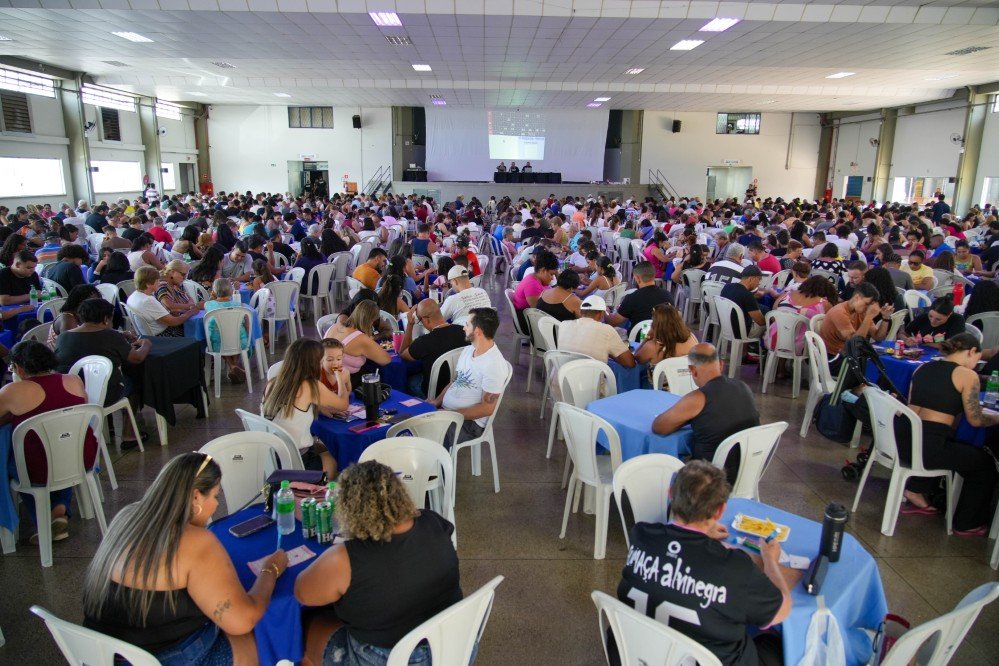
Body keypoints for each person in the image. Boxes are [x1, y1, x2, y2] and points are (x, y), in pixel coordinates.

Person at [82, 452, 286, 665]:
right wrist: (270, 570)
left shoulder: (126, 517)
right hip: (153, 659)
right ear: (196, 497)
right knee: (256, 641)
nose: (216, 505)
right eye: (215, 496)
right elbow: (243, 620)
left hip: (94, 652)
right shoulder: (194, 540)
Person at [616, 460, 789, 666]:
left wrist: (702, 534)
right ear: (720, 511)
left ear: (670, 494)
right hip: (709, 659)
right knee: (777, 644)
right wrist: (770, 561)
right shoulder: (735, 567)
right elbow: (781, 611)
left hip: (639, 653)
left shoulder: (641, 535)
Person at [295, 460, 462, 666]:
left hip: (387, 659)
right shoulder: (433, 521)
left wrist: (272, 567)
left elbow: (302, 593)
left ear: (349, 508)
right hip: (453, 648)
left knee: (305, 627)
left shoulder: (345, 558)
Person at [896, 334, 999, 535]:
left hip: (903, 440)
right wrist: (996, 418)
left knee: (951, 442)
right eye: (977, 359)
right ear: (972, 351)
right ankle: (967, 523)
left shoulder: (922, 367)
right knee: (984, 463)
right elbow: (975, 420)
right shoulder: (967, 375)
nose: (976, 365)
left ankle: (916, 490)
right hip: (928, 449)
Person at [0, 340, 99, 544]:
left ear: (19, 367)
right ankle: (59, 510)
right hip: (82, 458)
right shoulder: (73, 380)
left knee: (16, 465)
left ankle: (43, 523)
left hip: (37, 469)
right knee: (61, 451)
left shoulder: (12, 391)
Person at [652, 344, 760, 481]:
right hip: (748, 472)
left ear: (693, 370)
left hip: (710, 480)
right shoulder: (743, 387)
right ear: (721, 365)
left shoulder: (698, 398)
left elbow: (659, 427)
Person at [55, 298, 149, 448]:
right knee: (133, 382)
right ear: (106, 319)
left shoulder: (63, 337)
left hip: (70, 394)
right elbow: (136, 358)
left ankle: (109, 428)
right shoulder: (111, 336)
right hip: (103, 395)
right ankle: (129, 434)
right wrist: (146, 344)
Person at [263, 338, 346, 479]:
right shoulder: (310, 385)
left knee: (325, 446)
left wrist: (319, 407)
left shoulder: (273, 383)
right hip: (297, 462)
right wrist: (340, 376)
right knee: (336, 456)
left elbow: (289, 408)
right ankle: (321, 489)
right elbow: (343, 404)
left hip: (272, 456)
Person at [431, 307, 509, 445]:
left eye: (467, 324)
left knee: (424, 434)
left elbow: (487, 409)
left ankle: (439, 458)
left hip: (470, 424)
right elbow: (456, 381)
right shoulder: (468, 350)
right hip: (448, 413)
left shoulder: (494, 364)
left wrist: (450, 414)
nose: (463, 328)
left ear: (477, 331)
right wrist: (436, 401)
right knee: (410, 420)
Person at [400, 299, 468, 399]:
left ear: (426, 320)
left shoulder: (423, 342)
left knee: (411, 381)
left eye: (420, 321)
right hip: (462, 388)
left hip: (434, 394)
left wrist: (410, 324)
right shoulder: (465, 331)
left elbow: (402, 353)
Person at [818, 282, 890, 372]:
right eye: (866, 303)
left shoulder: (861, 312)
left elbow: (878, 337)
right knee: (872, 368)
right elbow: (854, 343)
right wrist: (869, 317)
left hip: (848, 355)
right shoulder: (840, 312)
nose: (867, 308)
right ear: (857, 297)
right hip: (831, 358)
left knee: (884, 365)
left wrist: (885, 318)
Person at [324, 299, 392, 386]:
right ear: (370, 321)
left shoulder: (334, 327)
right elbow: (386, 360)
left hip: (325, 376)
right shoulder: (361, 338)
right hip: (344, 382)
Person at [557, 296, 636, 368]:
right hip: (591, 378)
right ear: (601, 314)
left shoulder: (563, 324)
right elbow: (630, 363)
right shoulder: (607, 330)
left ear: (580, 312)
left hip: (561, 376)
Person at [126, 266, 198, 337]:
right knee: (196, 330)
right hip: (164, 335)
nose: (159, 282)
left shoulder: (133, 296)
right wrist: (191, 312)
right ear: (148, 284)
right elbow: (174, 322)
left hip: (147, 335)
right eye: (157, 281)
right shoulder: (148, 300)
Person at [204, 279, 250, 384]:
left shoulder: (208, 305)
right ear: (231, 291)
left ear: (214, 291)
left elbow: (209, 308)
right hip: (240, 342)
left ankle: (232, 366)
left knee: (221, 339)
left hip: (219, 344)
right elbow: (247, 324)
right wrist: (247, 336)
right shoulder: (240, 306)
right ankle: (234, 366)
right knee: (237, 337)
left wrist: (212, 297)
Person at [606, 262, 673, 328]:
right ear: (653, 276)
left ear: (638, 278)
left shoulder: (632, 298)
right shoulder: (668, 295)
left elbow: (612, 322)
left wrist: (605, 311)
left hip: (639, 334)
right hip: (664, 334)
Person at [634, 303, 697, 367]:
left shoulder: (651, 347)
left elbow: (636, 359)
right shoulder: (691, 337)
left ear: (656, 326)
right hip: (688, 373)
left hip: (660, 374)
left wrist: (647, 337)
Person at [512, 249, 558, 331]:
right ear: (543, 270)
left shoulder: (538, 279)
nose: (552, 278)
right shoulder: (532, 284)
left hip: (534, 317)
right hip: (528, 322)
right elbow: (538, 311)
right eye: (551, 274)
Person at [720, 266, 766, 339]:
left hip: (725, 326)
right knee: (766, 325)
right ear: (752, 279)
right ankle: (753, 345)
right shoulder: (747, 295)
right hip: (741, 333)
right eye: (759, 279)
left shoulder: (727, 287)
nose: (759, 283)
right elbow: (761, 322)